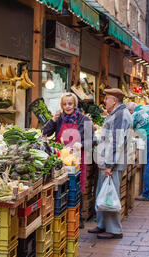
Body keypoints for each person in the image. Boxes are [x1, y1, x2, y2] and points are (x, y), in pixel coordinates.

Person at [42, 92, 95, 228]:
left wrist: (81, 144)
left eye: (70, 103)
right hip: (60, 158)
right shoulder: (59, 119)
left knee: (77, 186)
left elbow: (93, 140)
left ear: (75, 104)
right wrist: (53, 120)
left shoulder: (84, 120)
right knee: (61, 186)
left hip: (77, 159)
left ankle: (78, 218)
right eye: (64, 104)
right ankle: (61, 216)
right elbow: (44, 133)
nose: (67, 106)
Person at [90, 88, 133, 240]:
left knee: (110, 195)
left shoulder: (120, 115)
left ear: (114, 100)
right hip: (107, 162)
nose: (104, 101)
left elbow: (116, 142)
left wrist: (109, 164)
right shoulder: (116, 114)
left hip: (113, 163)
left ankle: (114, 229)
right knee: (103, 192)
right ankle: (102, 224)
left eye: (106, 98)